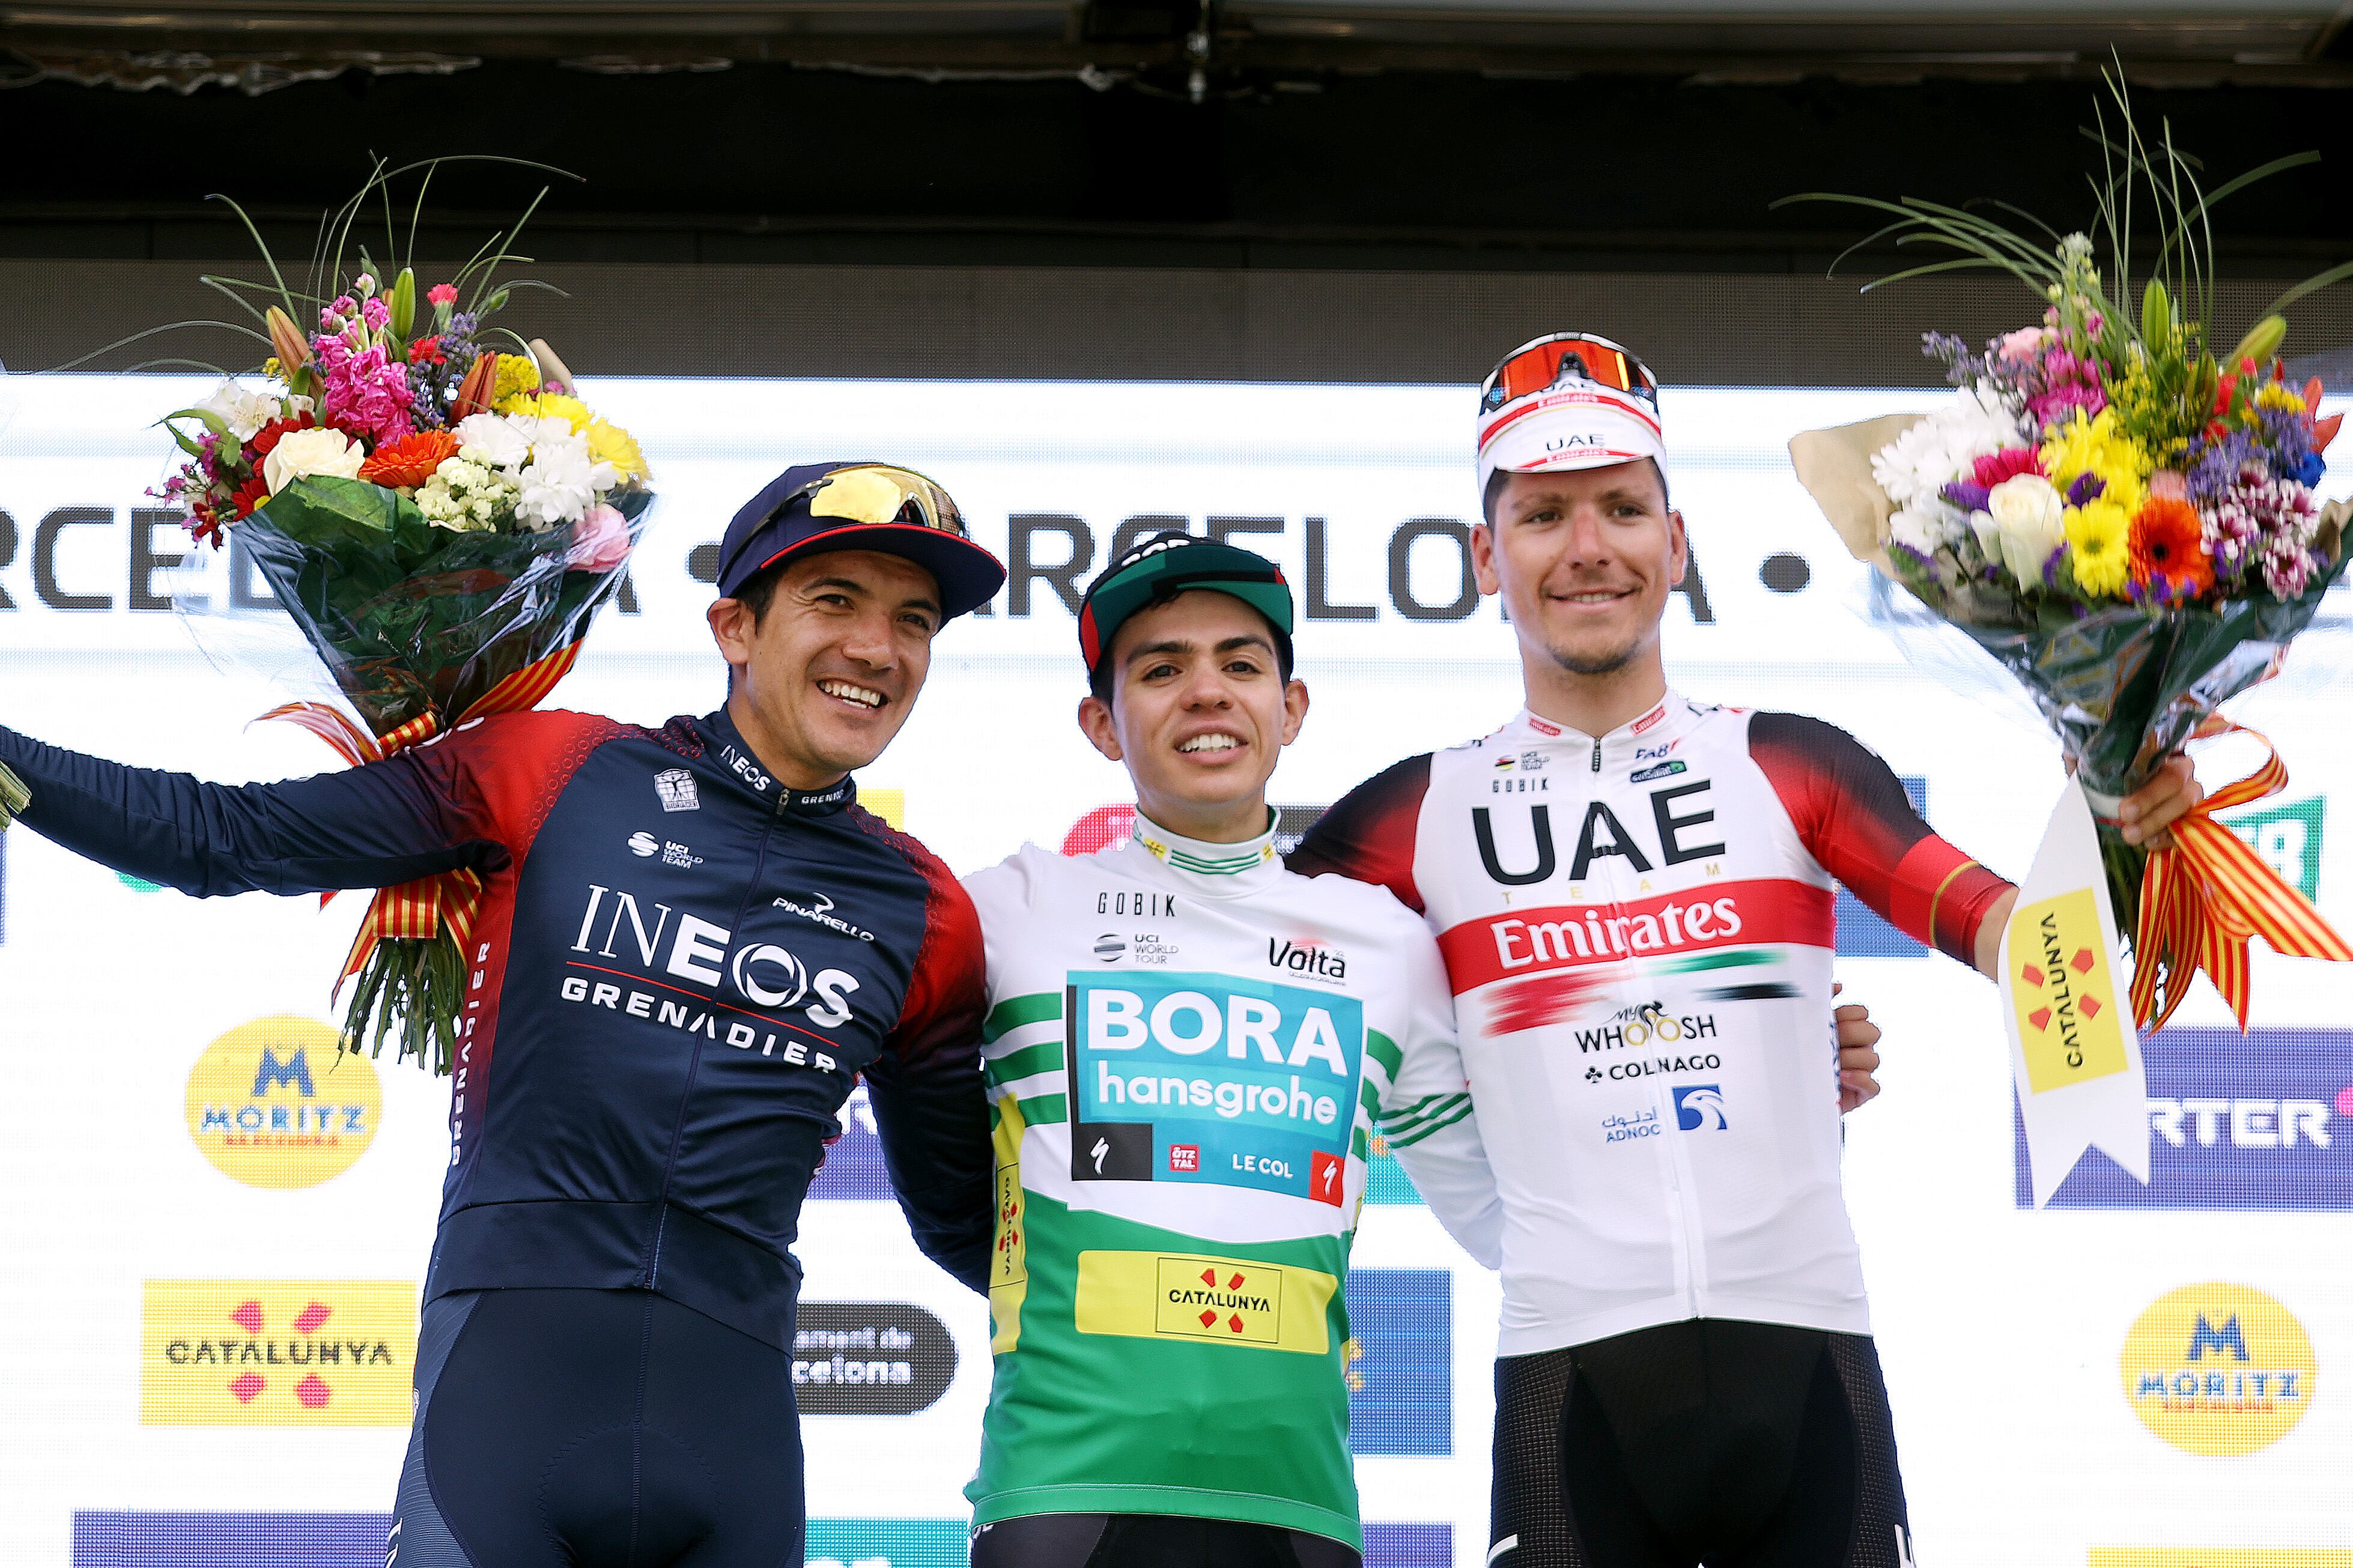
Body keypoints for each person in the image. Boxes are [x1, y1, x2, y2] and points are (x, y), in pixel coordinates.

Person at [1286, 333, 2206, 1568]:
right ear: (1483, 559)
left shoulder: (1791, 761)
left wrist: (2119, 814)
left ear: (1678, 543)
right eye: (1544, 514)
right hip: (1571, 1369)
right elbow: (1252, 962)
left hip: (1811, 1357)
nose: (1589, 546)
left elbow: (2012, 929)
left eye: (1622, 507)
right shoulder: (1404, 817)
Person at [0, 462, 1005, 1568]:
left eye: (915, 622)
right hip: (507, 1400)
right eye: (835, 602)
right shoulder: (555, 767)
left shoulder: (927, 911)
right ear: (732, 625)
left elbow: (968, 1223)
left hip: (735, 1435)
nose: (878, 649)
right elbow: (218, 838)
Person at [955, 534, 1887, 1568]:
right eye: (1161, 669)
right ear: (1100, 723)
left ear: (1291, 707)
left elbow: (1512, 1211)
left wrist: (1758, 1068)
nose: (1207, 693)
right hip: (1062, 1490)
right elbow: (920, 1134)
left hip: (1297, 1506)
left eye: (1241, 664)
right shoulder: (1010, 911)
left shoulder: (1384, 945)